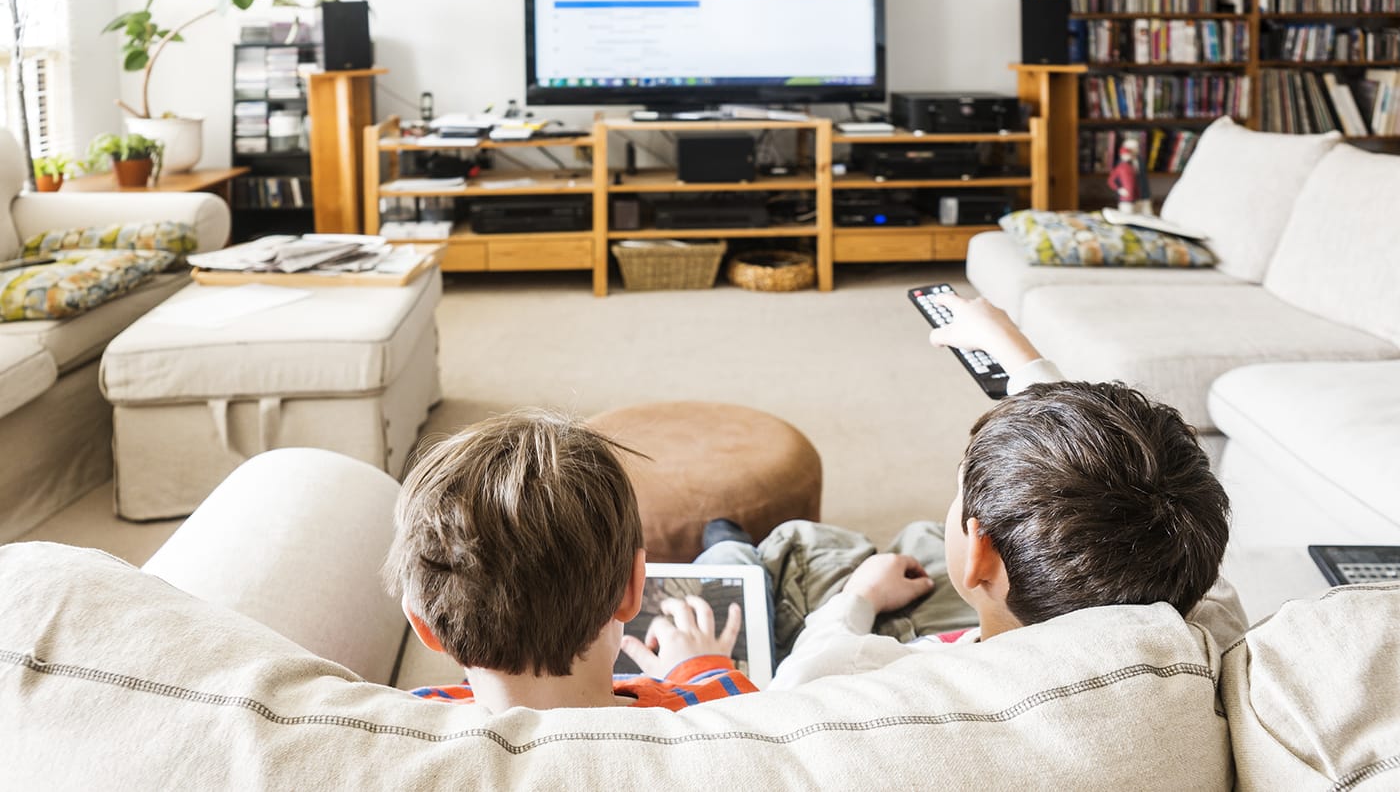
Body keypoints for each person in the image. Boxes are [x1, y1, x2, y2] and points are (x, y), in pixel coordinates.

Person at [700, 293, 1244, 690]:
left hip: (877, 616)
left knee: (781, 551)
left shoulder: (871, 676)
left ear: (982, 553)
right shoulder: (1205, 611)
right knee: (916, 538)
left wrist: (858, 598)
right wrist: (1017, 353)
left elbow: (802, 678)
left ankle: (729, 547)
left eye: (959, 494)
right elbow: (1127, 486)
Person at [382, 409, 758, 713]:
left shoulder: (414, 717)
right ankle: (732, 546)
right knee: (767, 554)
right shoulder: (718, 706)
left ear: (423, 624)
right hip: (689, 665)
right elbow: (741, 711)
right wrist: (699, 666)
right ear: (632, 588)